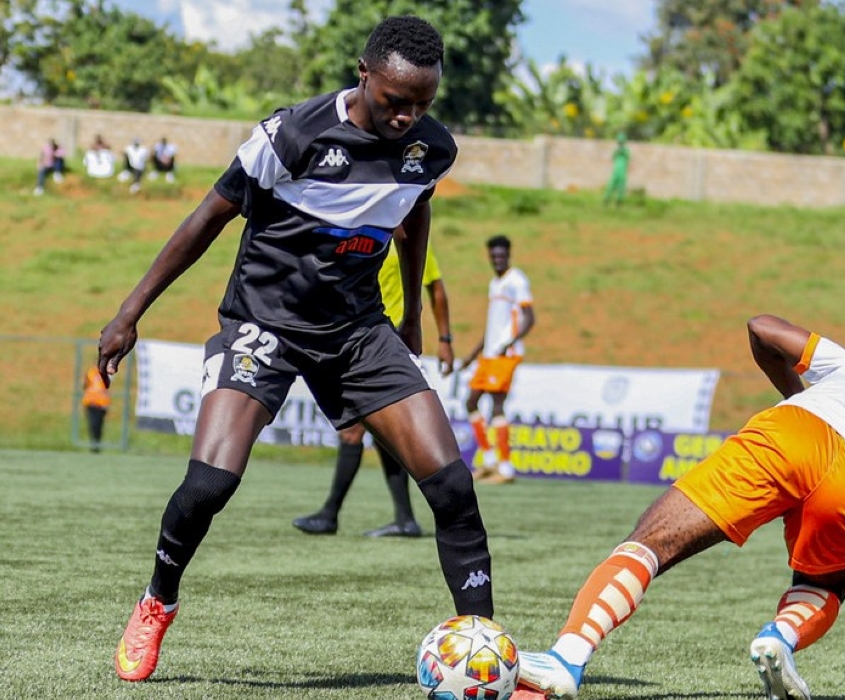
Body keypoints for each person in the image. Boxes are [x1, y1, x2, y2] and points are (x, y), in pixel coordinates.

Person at [99, 15, 493, 683]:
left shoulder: (431, 147)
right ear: (362, 74)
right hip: (265, 324)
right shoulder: (293, 135)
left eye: (423, 104)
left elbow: (414, 209)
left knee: (452, 484)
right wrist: (129, 312)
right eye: (397, 101)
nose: (409, 117)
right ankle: (156, 601)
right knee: (209, 484)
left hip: (358, 331)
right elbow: (206, 220)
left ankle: (484, 649)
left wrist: (412, 318)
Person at [517, 315, 845, 700]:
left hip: (789, 432)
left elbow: (762, 327)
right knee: (830, 582)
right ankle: (782, 637)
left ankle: (567, 657)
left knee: (652, 541)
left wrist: (799, 400)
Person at [292, 243, 456, 538]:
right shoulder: (364, 234)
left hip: (387, 341)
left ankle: (330, 514)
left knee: (353, 430)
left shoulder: (409, 242)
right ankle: (405, 519)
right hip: (358, 337)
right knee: (382, 435)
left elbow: (436, 288)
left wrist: (444, 338)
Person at [461, 234, 534, 484]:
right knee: (470, 402)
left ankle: (505, 468)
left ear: (509, 255)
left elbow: (529, 317)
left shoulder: (517, 280)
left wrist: (510, 343)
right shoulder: (495, 283)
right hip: (489, 354)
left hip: (505, 353)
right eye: (493, 256)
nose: (497, 260)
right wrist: (472, 354)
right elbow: (493, 324)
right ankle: (490, 460)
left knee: (497, 405)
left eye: (501, 255)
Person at [82, 365, 111, 452]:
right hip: (91, 402)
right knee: (92, 424)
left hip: (101, 403)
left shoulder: (106, 373)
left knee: (99, 425)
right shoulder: (91, 372)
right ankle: (94, 445)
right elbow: (85, 384)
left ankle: (97, 445)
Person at [602, 132, 629, 207]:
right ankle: (606, 200)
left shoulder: (626, 151)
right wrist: (618, 151)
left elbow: (628, 158)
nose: (620, 143)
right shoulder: (616, 151)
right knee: (610, 186)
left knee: (621, 188)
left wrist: (622, 150)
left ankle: (619, 202)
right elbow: (612, 157)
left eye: (621, 141)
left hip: (622, 172)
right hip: (616, 171)